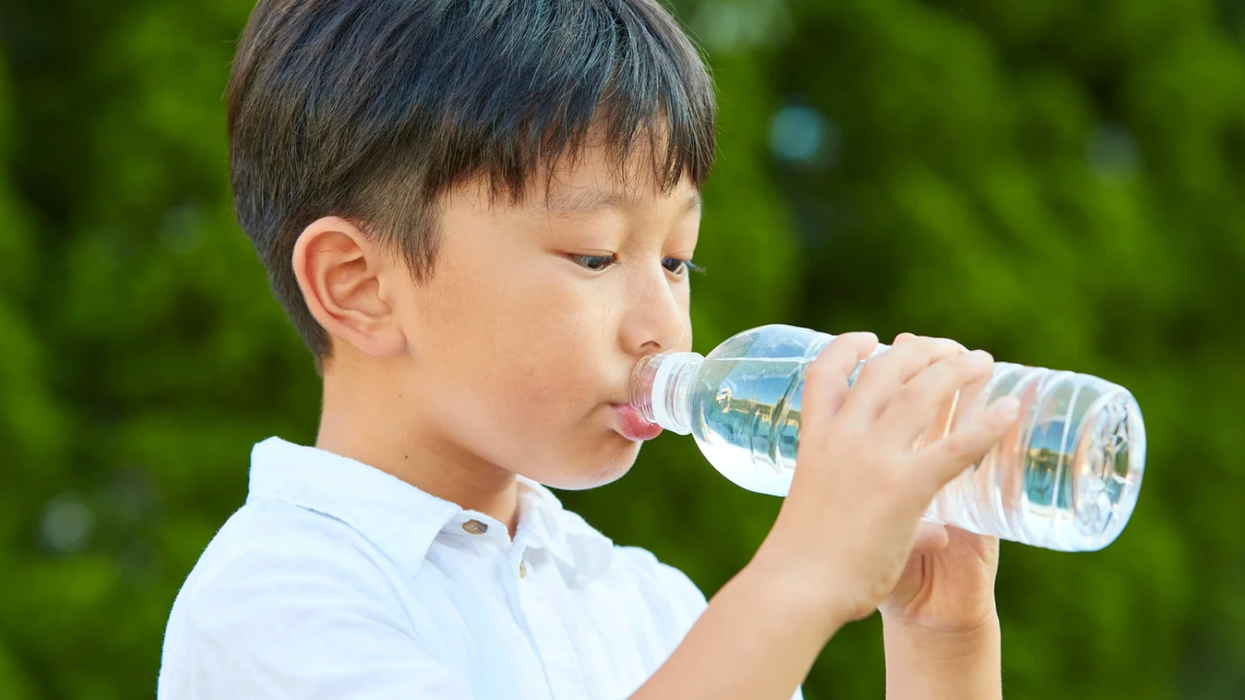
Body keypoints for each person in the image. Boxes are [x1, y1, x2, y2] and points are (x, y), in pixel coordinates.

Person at [156, 0, 1023, 698]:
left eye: (677, 259)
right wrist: (801, 577)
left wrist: (941, 643)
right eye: (597, 256)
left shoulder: (649, 608)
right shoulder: (277, 600)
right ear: (361, 285)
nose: (662, 326)